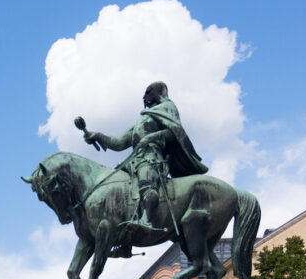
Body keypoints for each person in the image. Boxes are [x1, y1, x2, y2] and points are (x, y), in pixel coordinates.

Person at [76, 81, 208, 243]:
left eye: (148, 92)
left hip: (152, 158)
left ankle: (146, 220)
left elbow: (175, 132)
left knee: (147, 183)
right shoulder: (142, 119)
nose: (144, 97)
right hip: (134, 160)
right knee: (117, 187)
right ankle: (123, 235)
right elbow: (119, 142)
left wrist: (153, 137)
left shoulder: (167, 108)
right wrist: (98, 135)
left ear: (158, 93)